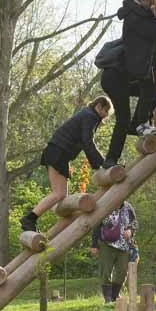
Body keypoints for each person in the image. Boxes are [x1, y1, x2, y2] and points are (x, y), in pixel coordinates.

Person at [101, 0, 156, 167]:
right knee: (123, 118)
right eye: (152, 2)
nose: (153, 5)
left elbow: (153, 35)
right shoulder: (134, 15)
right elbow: (152, 31)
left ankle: (139, 123)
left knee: (154, 86)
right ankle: (111, 160)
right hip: (115, 78)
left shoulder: (143, 15)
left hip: (127, 76)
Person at [20, 96, 111, 234]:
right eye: (106, 112)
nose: (105, 117)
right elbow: (88, 142)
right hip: (58, 152)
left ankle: (51, 230)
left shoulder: (87, 113)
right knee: (58, 194)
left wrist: (98, 164)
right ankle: (29, 219)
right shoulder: (90, 116)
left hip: (58, 152)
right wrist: (102, 163)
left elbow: (85, 142)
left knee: (63, 197)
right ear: (100, 106)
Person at [92, 201, 138, 304]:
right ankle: (107, 298)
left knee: (122, 271)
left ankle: (115, 295)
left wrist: (131, 230)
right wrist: (94, 245)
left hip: (124, 245)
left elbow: (135, 223)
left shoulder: (128, 207)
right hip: (106, 244)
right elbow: (96, 225)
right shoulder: (104, 206)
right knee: (105, 271)